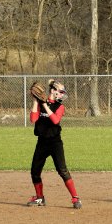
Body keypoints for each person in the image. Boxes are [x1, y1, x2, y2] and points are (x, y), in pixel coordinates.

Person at [27, 79, 82, 209]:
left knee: (62, 170)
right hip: (42, 142)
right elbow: (33, 119)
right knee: (35, 171)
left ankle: (75, 198)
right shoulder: (40, 104)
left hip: (55, 143)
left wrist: (45, 105)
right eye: (61, 91)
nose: (62, 94)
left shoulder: (60, 106)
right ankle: (40, 198)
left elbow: (55, 120)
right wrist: (36, 101)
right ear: (53, 91)